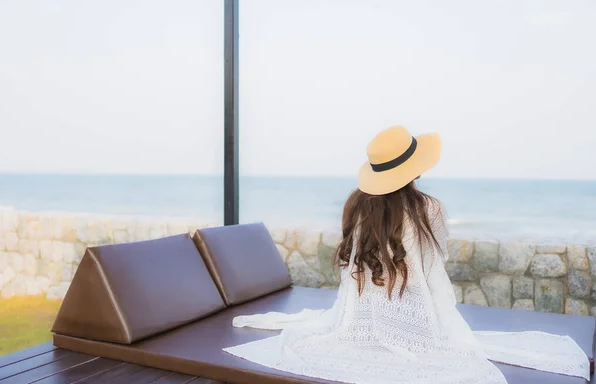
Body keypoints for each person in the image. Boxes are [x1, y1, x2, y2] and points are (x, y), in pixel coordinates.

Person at [224, 126, 590, 384]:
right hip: (414, 317)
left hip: (358, 314)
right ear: (413, 168)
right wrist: (447, 321)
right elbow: (434, 270)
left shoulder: (355, 204)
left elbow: (350, 269)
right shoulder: (427, 208)